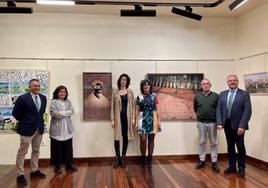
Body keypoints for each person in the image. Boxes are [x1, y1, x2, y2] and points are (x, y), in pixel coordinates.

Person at [12, 79, 47, 185]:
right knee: (22, 152)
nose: (36, 87)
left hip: (39, 128)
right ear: (29, 87)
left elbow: (41, 112)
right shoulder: (22, 98)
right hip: (26, 129)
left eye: (38, 86)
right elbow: (16, 113)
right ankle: (20, 174)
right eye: (34, 86)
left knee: (36, 150)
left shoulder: (43, 98)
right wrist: (26, 121)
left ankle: (34, 170)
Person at [217, 74, 252, 177]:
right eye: (230, 81)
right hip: (226, 125)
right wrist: (219, 123)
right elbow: (219, 109)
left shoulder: (244, 94)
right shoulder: (222, 94)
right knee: (230, 146)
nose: (232, 82)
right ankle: (232, 166)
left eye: (234, 80)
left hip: (239, 125)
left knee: (240, 146)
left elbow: (247, 111)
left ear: (237, 82)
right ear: (227, 83)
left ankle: (241, 168)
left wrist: (242, 126)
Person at [49, 85, 77, 173]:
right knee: (56, 147)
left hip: (67, 127)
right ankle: (56, 166)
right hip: (57, 127)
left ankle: (69, 164)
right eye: (61, 92)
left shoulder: (68, 101)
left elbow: (72, 111)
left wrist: (60, 113)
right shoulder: (53, 102)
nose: (63, 93)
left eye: (64, 92)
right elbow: (53, 114)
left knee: (68, 147)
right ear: (57, 93)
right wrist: (65, 113)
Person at [194, 79, 220, 172]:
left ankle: (214, 162)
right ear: (201, 86)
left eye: (207, 84)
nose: (205, 85)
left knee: (213, 143)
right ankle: (201, 161)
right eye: (204, 84)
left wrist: (219, 122)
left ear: (210, 85)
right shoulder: (197, 96)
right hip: (201, 122)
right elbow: (195, 108)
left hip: (213, 122)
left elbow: (219, 110)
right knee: (202, 142)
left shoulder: (216, 96)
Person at [111, 74, 135, 168]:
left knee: (125, 137)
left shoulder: (130, 92)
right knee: (116, 138)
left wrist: (133, 118)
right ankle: (118, 158)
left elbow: (133, 106)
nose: (123, 81)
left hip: (127, 118)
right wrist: (112, 119)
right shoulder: (115, 92)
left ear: (127, 81)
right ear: (119, 81)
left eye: (125, 80)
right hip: (117, 118)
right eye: (122, 79)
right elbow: (112, 107)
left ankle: (123, 158)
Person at [136, 79, 161, 168]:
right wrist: (136, 121)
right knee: (143, 140)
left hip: (153, 118)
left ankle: (149, 159)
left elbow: (157, 109)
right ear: (142, 87)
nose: (146, 87)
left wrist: (159, 121)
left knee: (151, 140)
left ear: (150, 86)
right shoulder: (139, 97)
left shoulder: (154, 96)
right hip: (142, 118)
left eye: (148, 85)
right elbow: (137, 110)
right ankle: (143, 158)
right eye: (144, 85)